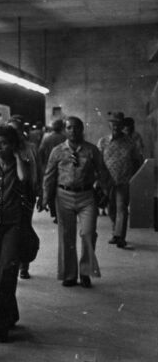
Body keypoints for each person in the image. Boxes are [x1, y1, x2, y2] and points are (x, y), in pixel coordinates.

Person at [42, 117, 109, 288]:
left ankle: (86, 272)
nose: (73, 131)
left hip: (87, 196)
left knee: (88, 233)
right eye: (69, 127)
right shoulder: (57, 151)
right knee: (66, 236)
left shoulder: (91, 150)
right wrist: (45, 197)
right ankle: (69, 274)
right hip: (63, 195)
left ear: (81, 129)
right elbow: (49, 175)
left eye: (76, 127)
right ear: (65, 130)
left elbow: (102, 172)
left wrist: (107, 191)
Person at [0, 126, 32, 342]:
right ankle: (10, 315)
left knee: (7, 268)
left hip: (13, 222)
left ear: (13, 145)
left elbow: (24, 179)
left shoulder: (21, 165)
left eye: (4, 143)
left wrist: (19, 158)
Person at [97, 112, 142, 248]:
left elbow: (137, 161)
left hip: (123, 181)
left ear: (122, 125)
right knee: (111, 209)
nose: (115, 126)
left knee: (121, 208)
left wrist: (132, 178)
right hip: (107, 181)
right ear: (109, 124)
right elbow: (98, 161)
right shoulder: (103, 141)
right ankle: (115, 233)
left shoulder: (130, 142)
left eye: (118, 123)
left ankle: (120, 236)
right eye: (113, 123)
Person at [7, 116, 41, 279]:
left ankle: (24, 264)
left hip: (27, 194)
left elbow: (38, 170)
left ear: (22, 131)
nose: (13, 133)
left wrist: (40, 192)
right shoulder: (4, 147)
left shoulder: (31, 148)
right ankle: (14, 262)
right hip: (8, 194)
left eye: (16, 130)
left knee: (24, 227)